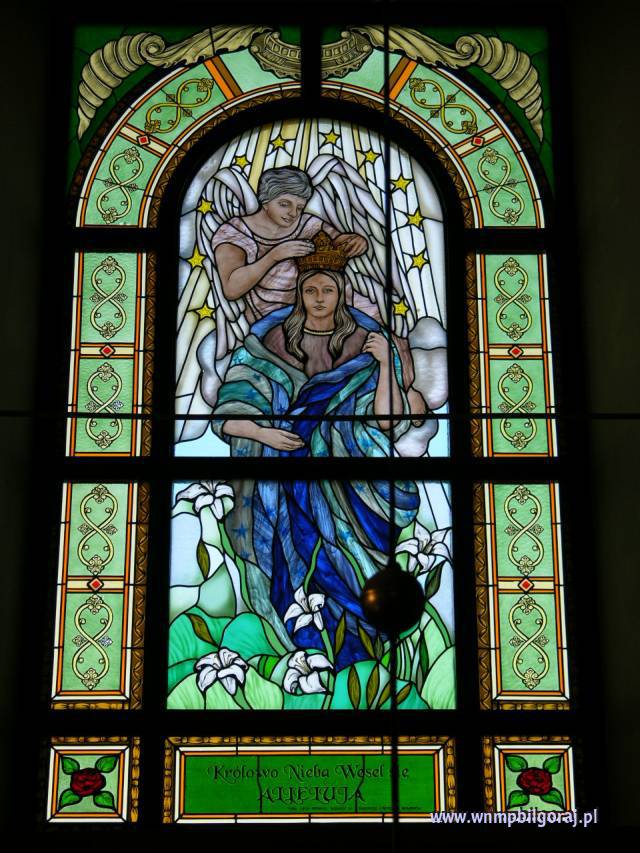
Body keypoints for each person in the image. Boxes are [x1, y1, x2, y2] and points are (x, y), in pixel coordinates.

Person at [211, 248, 419, 667]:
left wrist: (384, 363)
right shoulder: (268, 344)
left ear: (342, 293)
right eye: (310, 290)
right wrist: (265, 433)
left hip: (355, 482)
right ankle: (311, 659)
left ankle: (364, 660)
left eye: (328, 290)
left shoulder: (369, 343)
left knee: (356, 567)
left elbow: (387, 420)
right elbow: (228, 416)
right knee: (300, 559)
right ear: (299, 294)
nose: (319, 298)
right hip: (287, 480)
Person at [211, 165, 368, 325]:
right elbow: (231, 289)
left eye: (300, 207)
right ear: (265, 201)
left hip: (320, 313)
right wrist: (274, 256)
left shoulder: (308, 224)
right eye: (284, 204)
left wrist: (355, 241)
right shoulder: (236, 232)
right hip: (270, 321)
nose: (293, 213)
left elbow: (338, 241)